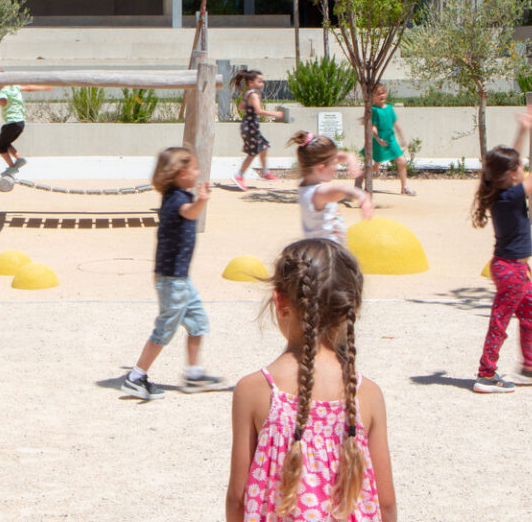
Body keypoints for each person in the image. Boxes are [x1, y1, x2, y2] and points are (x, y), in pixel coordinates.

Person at [226, 237, 397, 522]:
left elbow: (238, 500)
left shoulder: (254, 390)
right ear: (350, 308)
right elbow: (386, 503)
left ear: (280, 300)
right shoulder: (367, 394)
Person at [469, 107, 532, 394]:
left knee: (530, 310)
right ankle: (486, 374)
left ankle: (529, 365)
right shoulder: (512, 194)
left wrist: (522, 130)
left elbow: (507, 162)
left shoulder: (498, 188)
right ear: (510, 175)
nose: (523, 168)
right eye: (519, 167)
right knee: (500, 320)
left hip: (513, 268)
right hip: (512, 270)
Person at [121, 147, 223, 399]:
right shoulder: (177, 199)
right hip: (171, 280)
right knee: (165, 329)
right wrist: (202, 200)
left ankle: (193, 374)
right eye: (195, 168)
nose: (198, 172)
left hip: (180, 279)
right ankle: (136, 376)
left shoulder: (177, 195)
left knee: (198, 322)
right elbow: (189, 213)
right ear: (181, 173)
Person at [289, 132, 374, 243]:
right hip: (327, 253)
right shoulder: (319, 193)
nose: (336, 166)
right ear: (320, 168)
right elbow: (343, 190)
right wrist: (363, 196)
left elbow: (337, 157)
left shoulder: (306, 185)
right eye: (334, 164)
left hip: (318, 251)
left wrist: (350, 159)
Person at [232, 70, 286, 190]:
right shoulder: (254, 95)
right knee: (252, 153)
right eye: (259, 81)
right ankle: (239, 176)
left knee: (264, 146)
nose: (262, 83)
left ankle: (265, 171)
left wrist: (249, 109)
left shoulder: (248, 93)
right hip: (250, 127)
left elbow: (241, 106)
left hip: (249, 126)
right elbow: (259, 111)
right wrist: (275, 114)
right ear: (251, 82)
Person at [364, 84, 415, 197]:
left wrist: (402, 138)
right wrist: (377, 138)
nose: (381, 95)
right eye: (378, 94)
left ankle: (404, 187)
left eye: (383, 93)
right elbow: (373, 127)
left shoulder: (390, 108)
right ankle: (361, 178)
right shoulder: (374, 110)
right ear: (372, 96)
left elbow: (396, 124)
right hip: (379, 142)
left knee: (402, 161)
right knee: (375, 167)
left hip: (391, 141)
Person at [0, 81, 52, 179]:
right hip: (20, 123)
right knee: (5, 143)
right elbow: (29, 87)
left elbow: (3, 103)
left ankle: (12, 167)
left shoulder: (3, 91)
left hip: (12, 123)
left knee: (0, 147)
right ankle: (19, 158)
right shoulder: (14, 87)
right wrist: (45, 87)